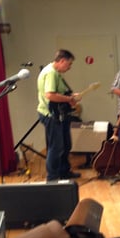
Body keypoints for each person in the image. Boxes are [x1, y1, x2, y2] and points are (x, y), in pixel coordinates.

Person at [37, 49, 82, 181]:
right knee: (56, 147)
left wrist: (70, 96)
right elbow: (50, 95)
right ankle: (52, 177)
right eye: (69, 64)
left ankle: (64, 171)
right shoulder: (51, 73)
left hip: (59, 114)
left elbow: (59, 93)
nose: (69, 67)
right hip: (51, 115)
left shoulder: (54, 72)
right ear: (62, 61)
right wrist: (69, 99)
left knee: (65, 144)